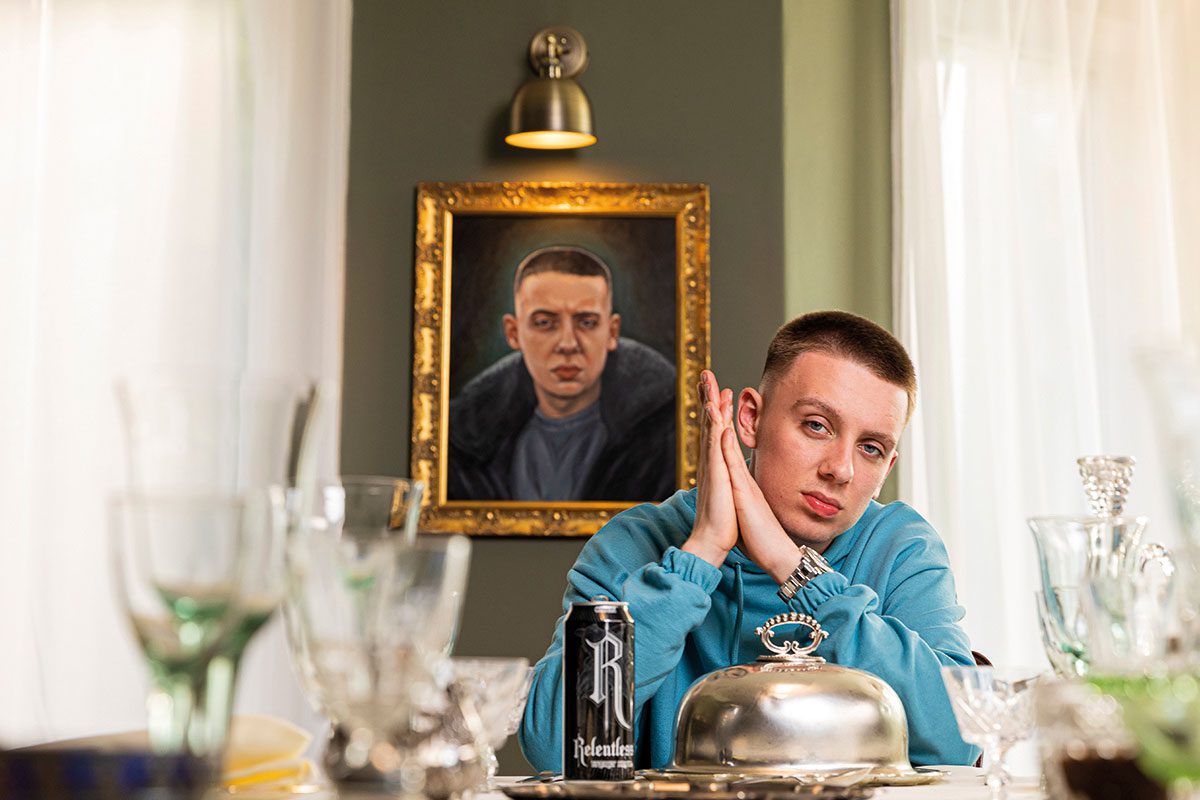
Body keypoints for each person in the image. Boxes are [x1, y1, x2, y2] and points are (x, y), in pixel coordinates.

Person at [518, 310, 980, 769]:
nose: (841, 469)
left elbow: (960, 739)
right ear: (750, 419)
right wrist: (702, 552)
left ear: (886, 471)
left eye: (871, 448)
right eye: (817, 425)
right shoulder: (636, 540)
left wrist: (790, 566)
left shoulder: (902, 547)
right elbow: (557, 750)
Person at [447, 245, 676, 502]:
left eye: (587, 322)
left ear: (612, 332)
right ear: (513, 333)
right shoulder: (465, 436)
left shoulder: (666, 432)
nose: (568, 343)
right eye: (545, 323)